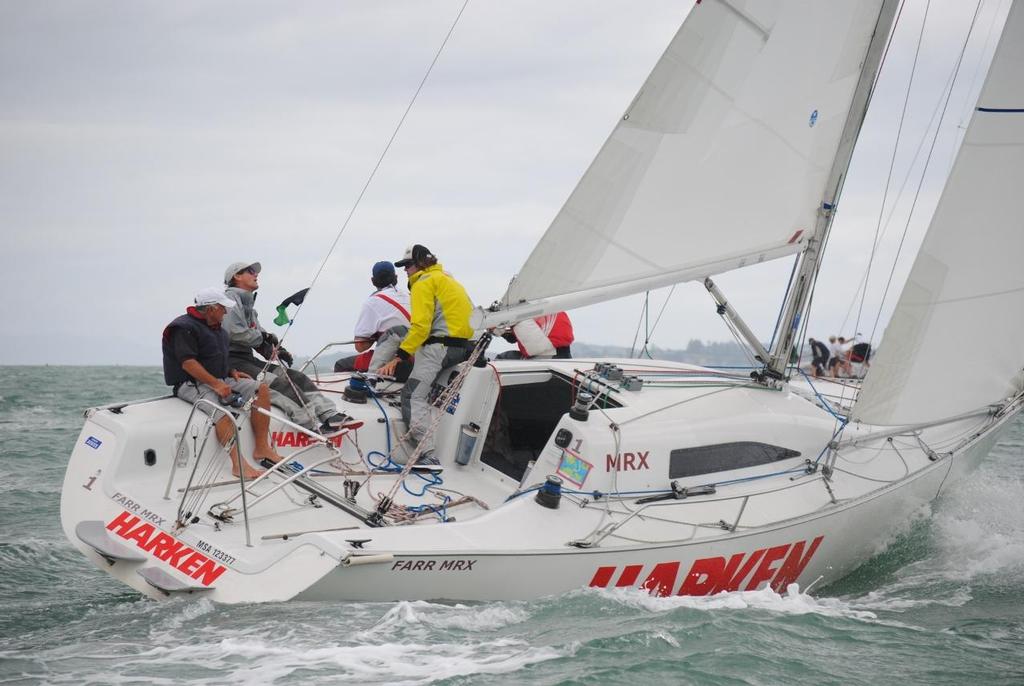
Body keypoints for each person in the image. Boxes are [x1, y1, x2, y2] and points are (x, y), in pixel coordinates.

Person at [161, 287, 282, 479]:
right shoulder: (183, 328)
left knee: (261, 389)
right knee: (224, 415)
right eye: (223, 309)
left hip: (219, 379)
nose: (226, 313)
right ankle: (238, 465)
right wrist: (217, 385)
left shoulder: (219, 332)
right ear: (210, 309)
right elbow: (188, 363)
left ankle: (262, 448)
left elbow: (213, 358)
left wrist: (230, 372)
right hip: (190, 384)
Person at [222, 260, 348, 434]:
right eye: (250, 271)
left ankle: (329, 415)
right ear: (236, 276)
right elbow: (234, 332)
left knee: (297, 377)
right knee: (280, 384)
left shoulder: (247, 304)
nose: (256, 274)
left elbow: (255, 335)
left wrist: (274, 349)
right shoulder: (229, 299)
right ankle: (310, 427)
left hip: (246, 359)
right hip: (231, 363)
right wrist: (264, 338)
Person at [377, 244, 474, 463]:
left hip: (438, 348)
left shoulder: (423, 283)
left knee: (412, 395)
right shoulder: (450, 281)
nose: (405, 271)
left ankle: (427, 454)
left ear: (420, 263)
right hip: (460, 348)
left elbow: (420, 327)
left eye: (408, 265)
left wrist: (399, 356)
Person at [334, 261, 413, 379]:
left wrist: (376, 336)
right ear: (396, 277)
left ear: (373, 280)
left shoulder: (372, 302)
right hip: (418, 358)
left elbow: (360, 346)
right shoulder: (410, 296)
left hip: (395, 359)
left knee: (341, 365)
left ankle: (361, 395)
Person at [497, 311, 574, 360]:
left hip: (544, 358)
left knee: (503, 358)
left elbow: (512, 339)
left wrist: (499, 331)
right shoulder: (554, 308)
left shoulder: (523, 313)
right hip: (565, 356)